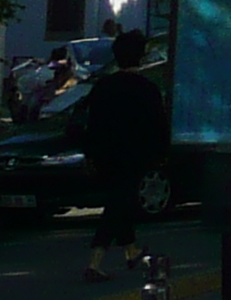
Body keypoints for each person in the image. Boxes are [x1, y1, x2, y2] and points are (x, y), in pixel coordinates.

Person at [71, 28, 168, 284]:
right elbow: (158, 124)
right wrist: (160, 153)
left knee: (119, 200)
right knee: (117, 204)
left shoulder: (104, 86)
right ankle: (95, 261)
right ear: (142, 56)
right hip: (135, 154)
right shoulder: (147, 88)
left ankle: (132, 250)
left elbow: (91, 122)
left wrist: (90, 154)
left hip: (105, 154)